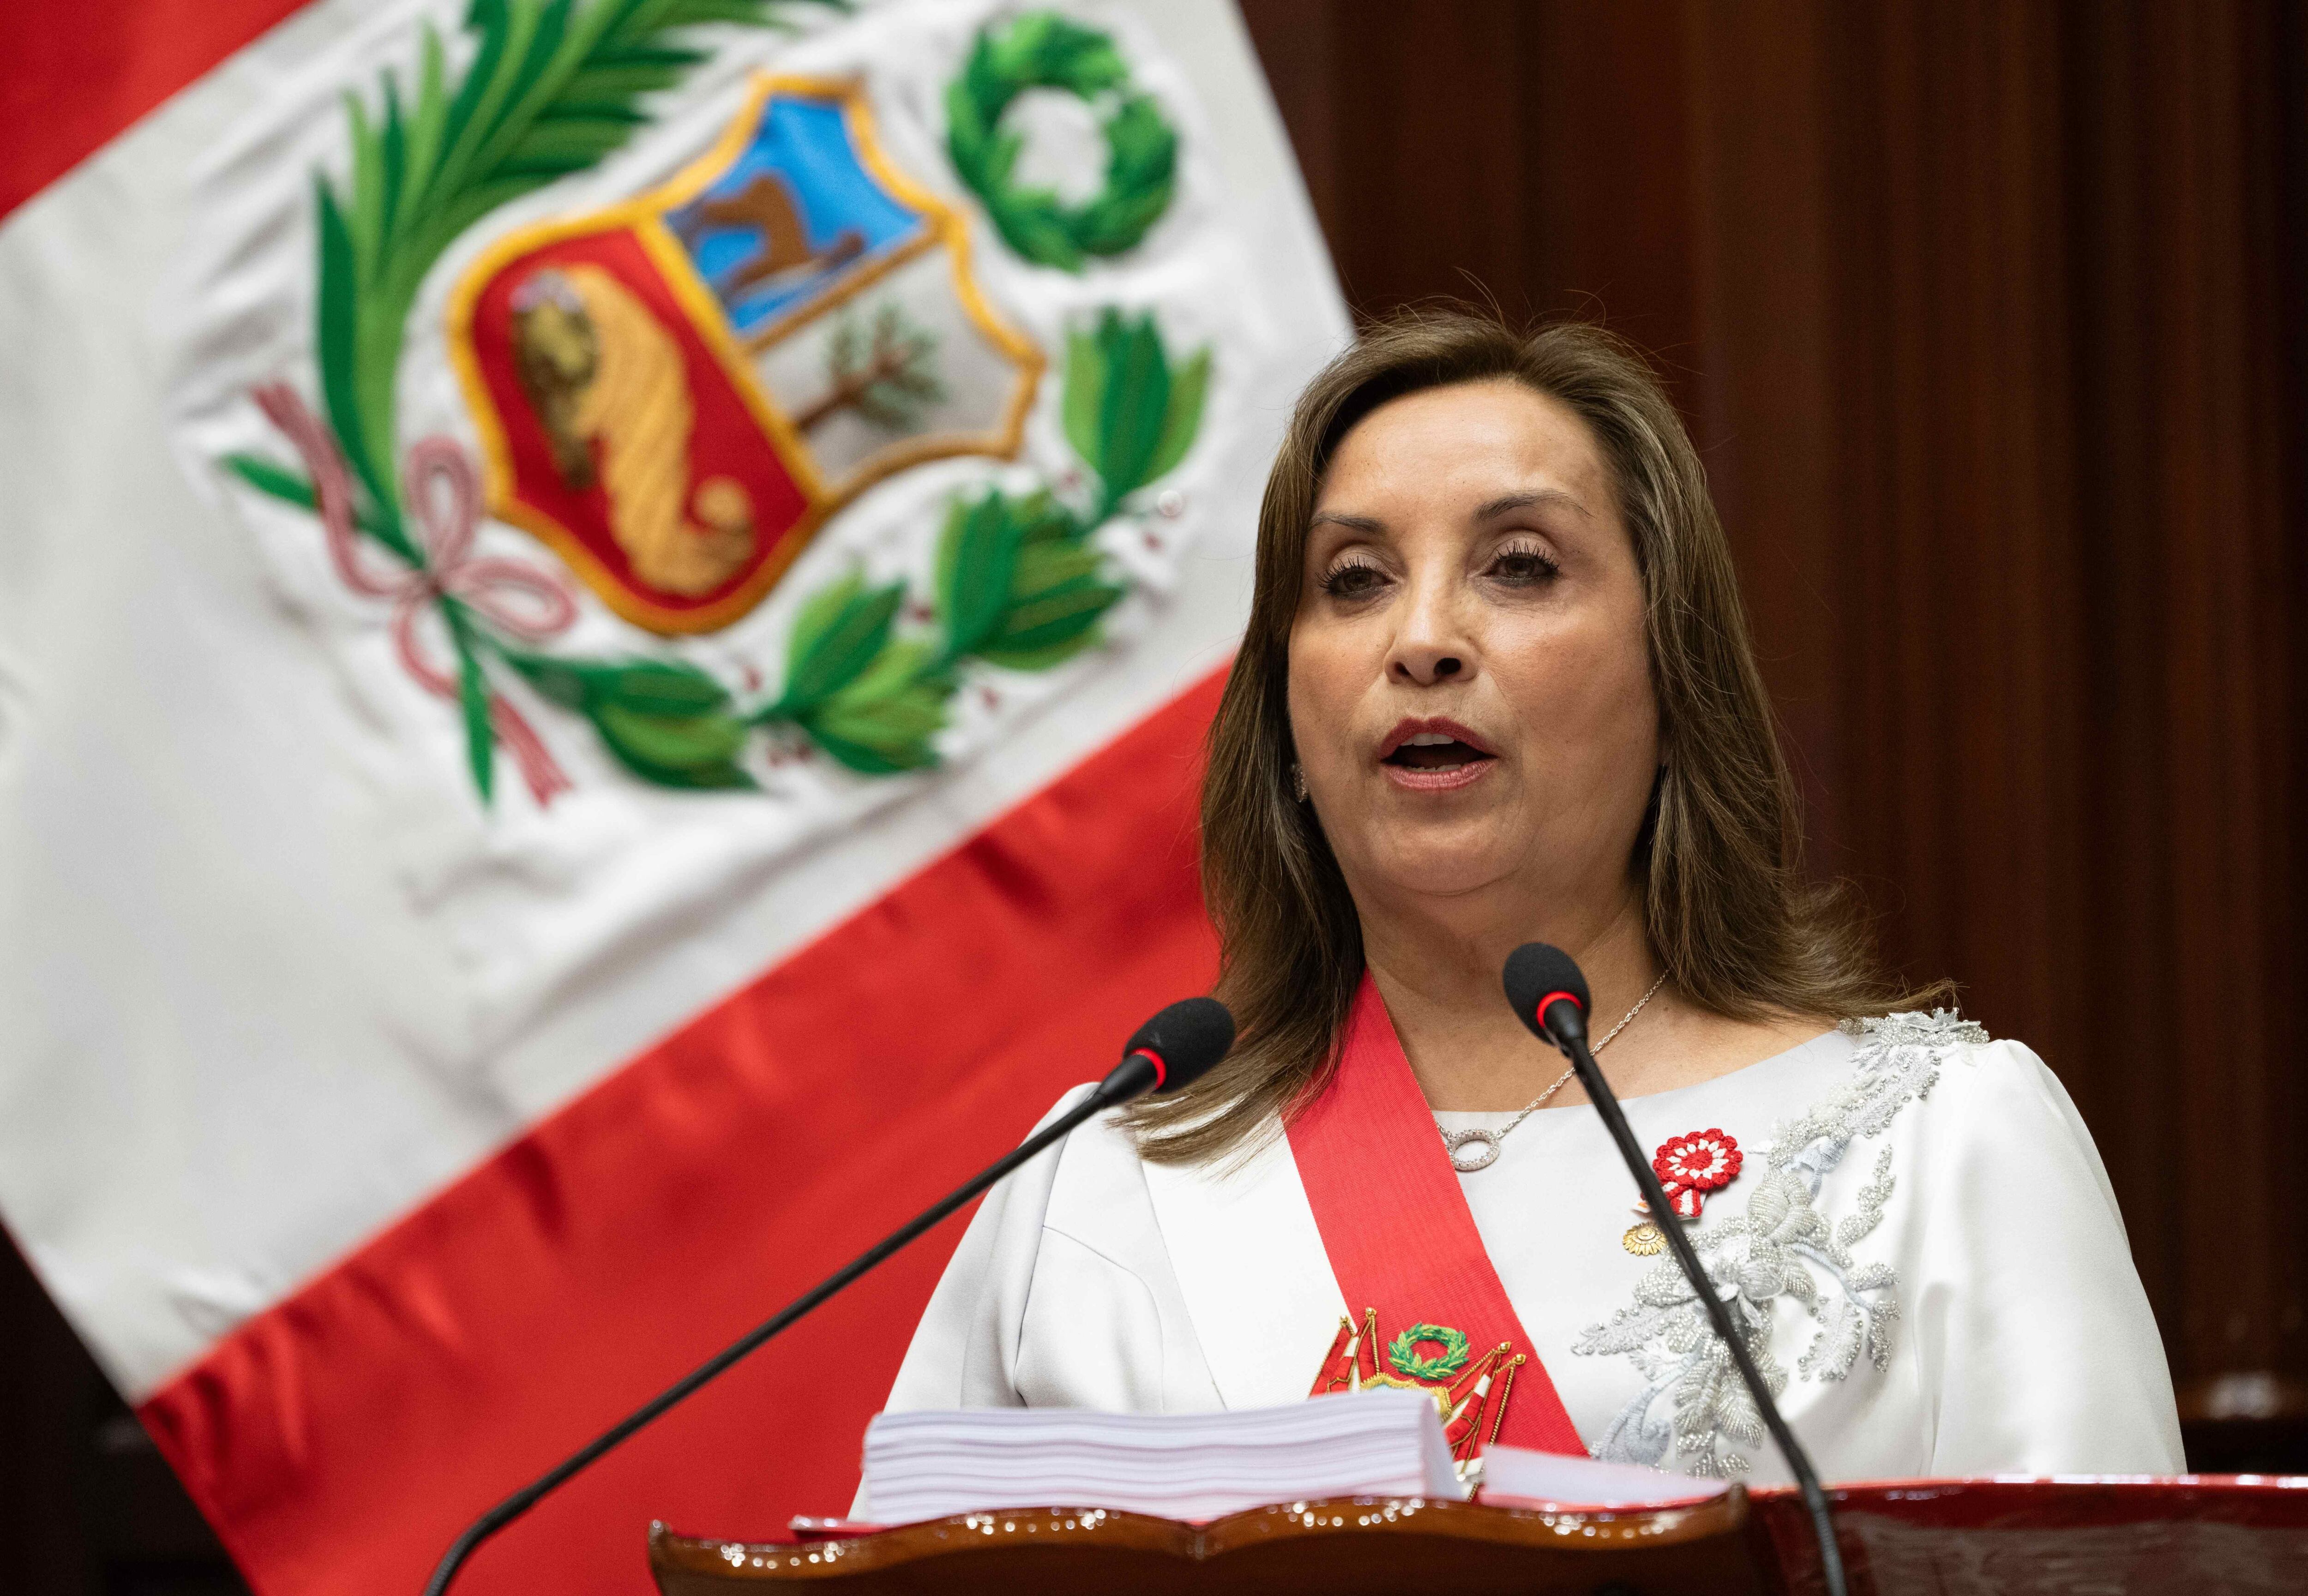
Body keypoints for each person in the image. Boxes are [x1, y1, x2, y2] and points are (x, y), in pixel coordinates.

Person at [876, 310, 2182, 1483]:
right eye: (1353, 580)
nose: (1423, 636)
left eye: (1519, 565)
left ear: (1676, 680)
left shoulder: (1939, 1148)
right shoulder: (1097, 1179)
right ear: (1283, 717)